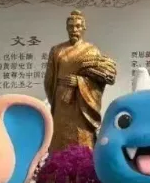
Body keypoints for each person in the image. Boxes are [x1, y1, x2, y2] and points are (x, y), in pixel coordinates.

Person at [44, 10, 116, 152]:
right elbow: (49, 80)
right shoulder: (57, 50)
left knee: (82, 136)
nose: (74, 30)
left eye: (77, 26)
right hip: (61, 101)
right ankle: (57, 163)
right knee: (60, 136)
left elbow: (99, 79)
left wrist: (79, 82)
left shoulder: (91, 50)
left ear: (83, 28)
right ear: (66, 28)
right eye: (71, 26)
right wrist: (55, 100)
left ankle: (84, 163)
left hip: (82, 103)